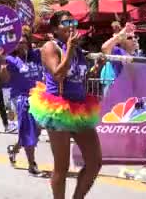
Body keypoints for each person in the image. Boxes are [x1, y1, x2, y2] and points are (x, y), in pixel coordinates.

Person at [29, 11, 101, 199]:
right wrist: (69, 49)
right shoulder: (49, 47)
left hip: (79, 108)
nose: (71, 25)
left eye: (73, 21)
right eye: (66, 22)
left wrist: (97, 67)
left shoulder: (77, 49)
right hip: (59, 109)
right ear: (54, 29)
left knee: (95, 162)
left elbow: (79, 75)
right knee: (62, 167)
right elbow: (58, 75)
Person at [0, 35, 44, 176]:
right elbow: (5, 79)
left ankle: (13, 149)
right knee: (29, 131)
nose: (23, 45)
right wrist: (2, 66)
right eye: (19, 43)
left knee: (34, 132)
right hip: (22, 98)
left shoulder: (36, 55)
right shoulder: (11, 60)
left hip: (39, 97)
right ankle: (32, 165)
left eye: (25, 42)